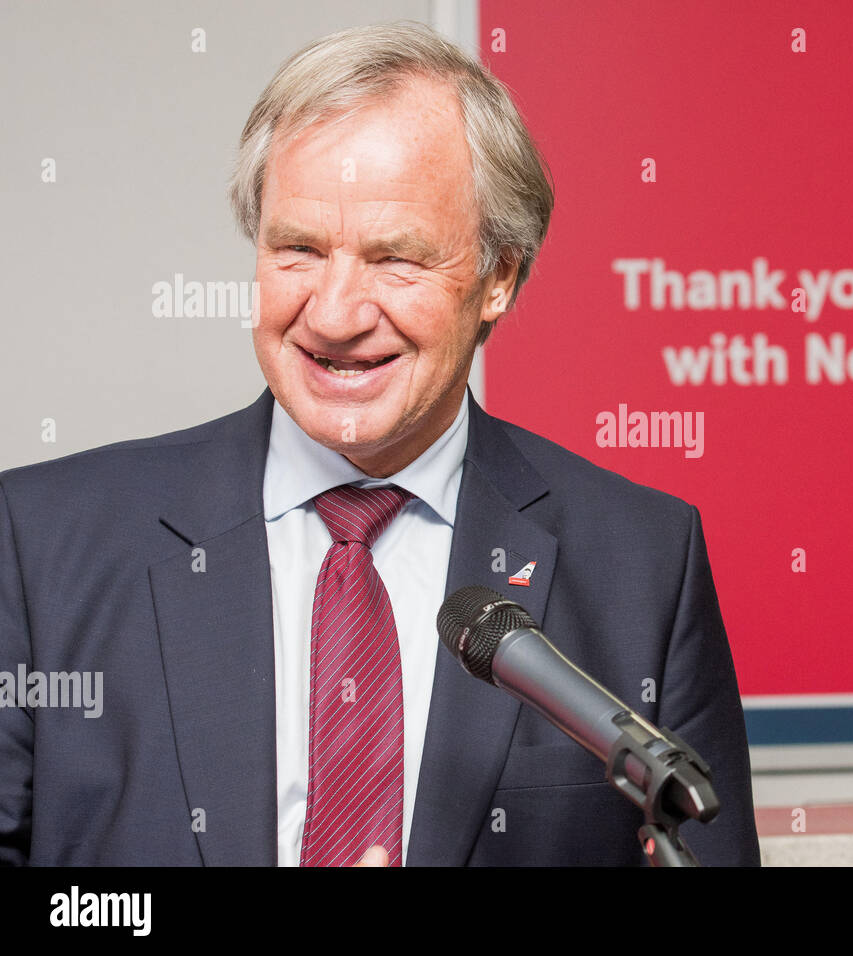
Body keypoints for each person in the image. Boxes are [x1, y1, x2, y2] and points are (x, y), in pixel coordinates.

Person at [0, 21, 759, 866]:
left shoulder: (644, 564)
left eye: (395, 259)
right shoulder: (40, 544)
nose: (332, 313)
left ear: (497, 276)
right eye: (298, 249)